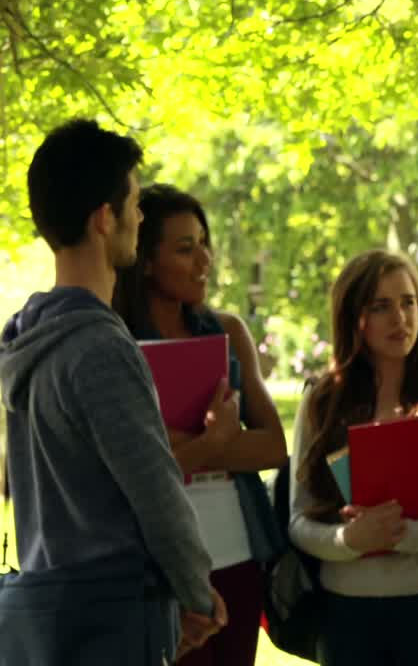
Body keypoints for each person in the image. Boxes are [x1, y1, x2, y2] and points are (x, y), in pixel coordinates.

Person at [0, 119, 230, 661]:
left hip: (48, 617)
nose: (140, 216)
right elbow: (156, 493)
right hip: (111, 618)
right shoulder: (99, 348)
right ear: (106, 219)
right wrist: (198, 596)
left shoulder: (28, 338)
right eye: (134, 203)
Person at [112, 183, 287, 666]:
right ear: (146, 260)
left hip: (237, 556)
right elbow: (123, 468)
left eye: (204, 244)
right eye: (185, 249)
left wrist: (200, 445)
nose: (204, 260)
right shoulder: (116, 344)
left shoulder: (228, 332)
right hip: (156, 566)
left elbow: (273, 447)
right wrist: (222, 442)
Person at [289, 249, 418, 666]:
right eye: (381, 306)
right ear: (353, 317)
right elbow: (299, 521)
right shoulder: (322, 402)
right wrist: (349, 541)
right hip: (347, 614)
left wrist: (398, 534)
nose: (401, 318)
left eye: (409, 302)